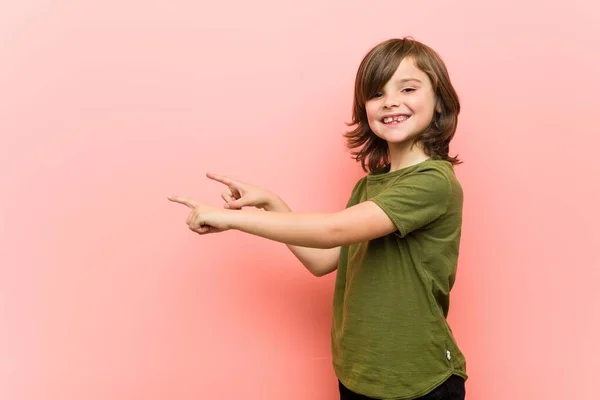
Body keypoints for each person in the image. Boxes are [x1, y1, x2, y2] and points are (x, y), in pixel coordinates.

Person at [168, 37, 467, 400]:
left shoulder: (433, 182)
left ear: (439, 100)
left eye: (408, 88)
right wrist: (272, 204)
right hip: (360, 374)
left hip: (418, 381)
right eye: (377, 93)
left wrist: (229, 219)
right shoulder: (368, 188)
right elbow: (323, 258)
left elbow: (331, 231)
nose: (390, 101)